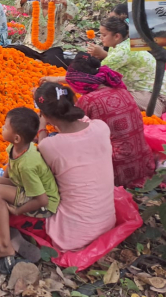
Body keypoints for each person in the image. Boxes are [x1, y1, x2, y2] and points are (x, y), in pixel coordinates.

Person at [41, 53, 155, 188]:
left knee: (57, 140)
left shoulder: (88, 101)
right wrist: (56, 80)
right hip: (144, 164)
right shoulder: (121, 90)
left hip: (115, 170)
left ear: (78, 83)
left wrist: (44, 121)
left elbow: (68, 130)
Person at [33, 82, 116, 253]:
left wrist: (42, 127)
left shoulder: (51, 145)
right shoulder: (101, 127)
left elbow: (43, 144)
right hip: (107, 224)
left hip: (71, 236)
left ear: (45, 115)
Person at [0, 108, 59, 265]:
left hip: (44, 203)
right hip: (26, 187)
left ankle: (5, 245)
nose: (1, 128)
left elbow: (42, 199)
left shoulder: (28, 164)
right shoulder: (14, 148)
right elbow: (10, 168)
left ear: (17, 138)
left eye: (5, 127)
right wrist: (0, 181)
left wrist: (18, 210)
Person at [87, 17, 166, 115]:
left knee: (101, 102)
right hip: (145, 93)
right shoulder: (124, 45)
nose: (101, 37)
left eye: (104, 35)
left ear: (117, 36)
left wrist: (71, 78)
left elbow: (96, 74)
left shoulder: (124, 51)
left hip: (158, 98)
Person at [7, 0, 78, 68]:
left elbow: (74, 12)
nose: (46, 0)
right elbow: (19, 6)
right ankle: (37, 61)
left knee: (55, 65)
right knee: (8, 50)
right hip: (31, 47)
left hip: (52, 48)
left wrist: (65, 2)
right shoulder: (34, 6)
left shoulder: (60, 8)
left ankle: (38, 62)